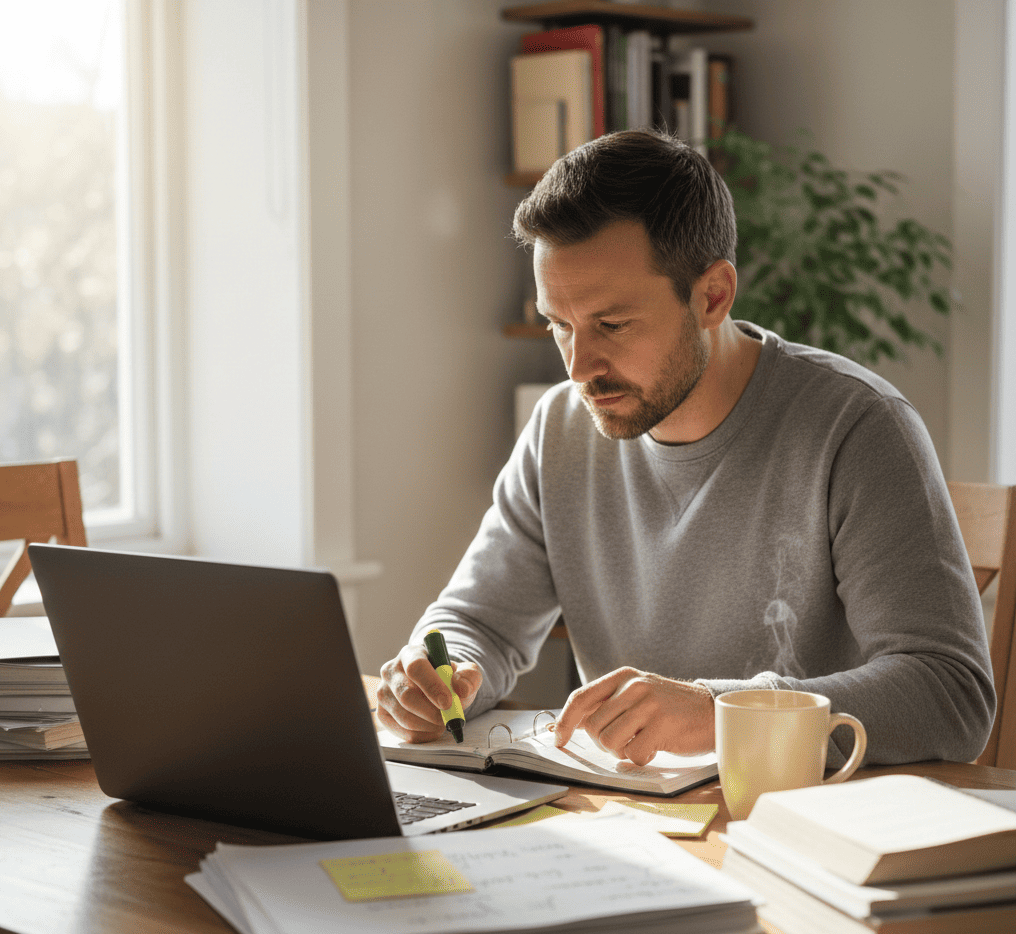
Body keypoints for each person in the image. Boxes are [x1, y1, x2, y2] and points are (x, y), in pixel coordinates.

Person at [377, 129, 995, 768]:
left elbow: (950, 696)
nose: (579, 366)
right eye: (560, 325)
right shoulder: (559, 429)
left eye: (612, 325)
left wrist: (719, 714)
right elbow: (477, 624)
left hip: (811, 830)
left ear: (714, 296)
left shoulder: (857, 428)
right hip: (636, 823)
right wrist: (439, 669)